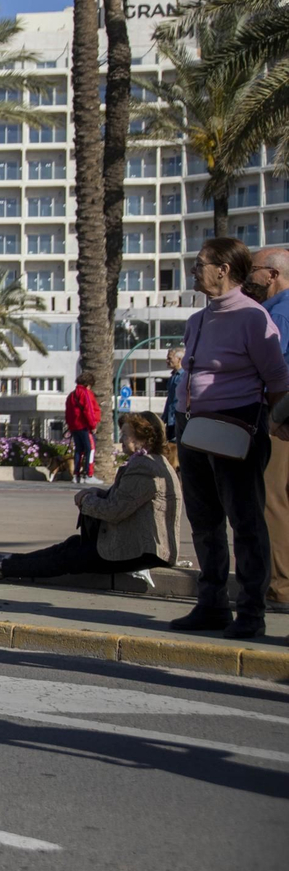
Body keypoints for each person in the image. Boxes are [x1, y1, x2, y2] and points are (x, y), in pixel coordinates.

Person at [171, 237, 289, 639]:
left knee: (246, 521)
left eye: (199, 263)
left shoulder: (254, 318)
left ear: (223, 269)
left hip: (237, 429)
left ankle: (251, 613)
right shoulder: (198, 320)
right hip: (194, 430)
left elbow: (276, 380)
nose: (193, 270)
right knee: (204, 522)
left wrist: (275, 422)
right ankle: (212, 604)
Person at [0, 411, 181, 585]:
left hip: (142, 552)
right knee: (71, 546)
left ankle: (1, 566)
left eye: (125, 434)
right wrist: (98, 493)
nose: (121, 440)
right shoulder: (155, 462)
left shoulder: (144, 466)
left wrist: (85, 502)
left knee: (69, 556)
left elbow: (114, 511)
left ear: (142, 438)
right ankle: (1, 563)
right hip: (143, 548)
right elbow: (128, 499)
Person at [247, 247, 289, 615]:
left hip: (278, 419)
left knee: (272, 501)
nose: (249, 277)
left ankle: (280, 587)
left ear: (272, 275)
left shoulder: (276, 314)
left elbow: (274, 371)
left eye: (254, 270)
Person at [65, 372, 102, 483]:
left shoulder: (71, 395)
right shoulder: (86, 393)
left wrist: (70, 426)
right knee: (90, 449)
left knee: (79, 451)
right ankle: (89, 475)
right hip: (85, 427)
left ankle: (76, 475)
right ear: (88, 384)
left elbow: (68, 413)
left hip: (75, 427)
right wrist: (93, 425)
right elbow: (89, 411)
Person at [160, 347, 185, 442]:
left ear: (179, 359)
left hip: (179, 419)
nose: (167, 361)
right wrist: (164, 418)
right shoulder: (173, 377)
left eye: (170, 358)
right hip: (171, 421)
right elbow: (170, 400)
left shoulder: (185, 377)